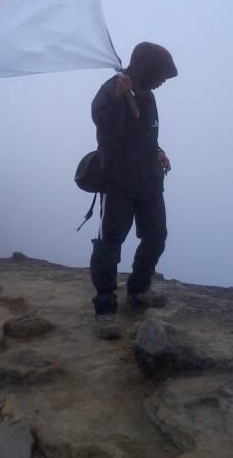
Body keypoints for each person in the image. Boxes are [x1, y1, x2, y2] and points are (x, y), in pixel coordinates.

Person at [90, 42, 177, 338]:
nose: (163, 82)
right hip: (119, 181)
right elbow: (105, 131)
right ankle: (105, 308)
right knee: (110, 243)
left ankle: (138, 290)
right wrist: (116, 98)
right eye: (161, 75)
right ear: (148, 68)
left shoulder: (147, 95)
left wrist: (158, 152)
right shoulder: (113, 88)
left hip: (149, 181)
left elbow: (144, 134)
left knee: (156, 236)